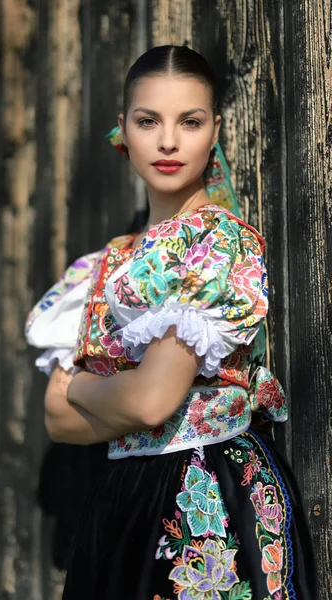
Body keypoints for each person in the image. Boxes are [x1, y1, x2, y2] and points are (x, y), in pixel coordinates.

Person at [26, 45, 316, 600]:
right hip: (119, 503)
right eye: (147, 121)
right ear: (123, 131)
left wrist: (84, 385)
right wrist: (123, 398)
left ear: (215, 131)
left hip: (207, 496)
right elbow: (57, 421)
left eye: (189, 121)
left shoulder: (218, 243)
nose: (167, 141)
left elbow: (150, 402)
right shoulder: (105, 264)